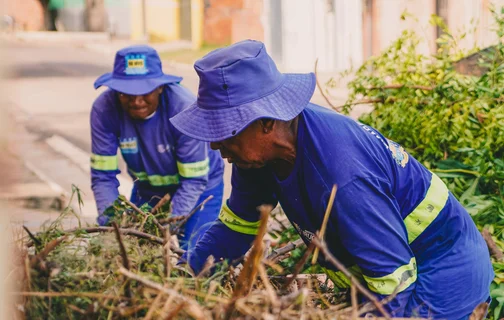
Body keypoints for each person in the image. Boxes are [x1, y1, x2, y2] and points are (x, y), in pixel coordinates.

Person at [169, 40, 494, 318]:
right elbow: (235, 229)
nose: (214, 143)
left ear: (265, 122)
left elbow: (393, 287)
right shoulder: (258, 155)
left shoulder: (342, 175)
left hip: (444, 270)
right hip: (385, 273)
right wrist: (183, 280)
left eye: (223, 130)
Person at [90, 45, 225, 250]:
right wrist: (112, 224)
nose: (136, 101)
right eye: (126, 94)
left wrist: (167, 228)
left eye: (145, 92)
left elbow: (194, 180)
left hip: (201, 187)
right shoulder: (104, 109)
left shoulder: (183, 108)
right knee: (137, 249)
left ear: (160, 87)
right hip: (148, 189)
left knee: (193, 253)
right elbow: (102, 176)